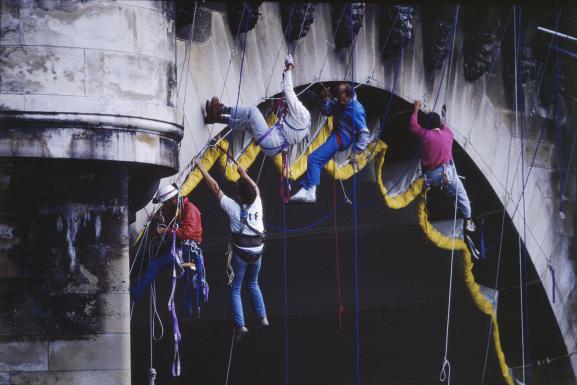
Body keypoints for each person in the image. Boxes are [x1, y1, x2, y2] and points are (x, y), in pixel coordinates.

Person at [195, 159, 268, 342]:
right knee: (253, 284)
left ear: (240, 197)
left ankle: (241, 326)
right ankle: (263, 317)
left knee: (236, 289)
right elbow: (255, 188)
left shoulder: (234, 208)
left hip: (242, 253)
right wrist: (244, 174)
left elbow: (215, 187)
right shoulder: (257, 203)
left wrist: (201, 167)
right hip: (257, 251)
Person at [204, 54, 313, 156]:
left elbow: (289, 91)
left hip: (270, 141)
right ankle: (217, 119)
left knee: (252, 111)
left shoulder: (302, 114)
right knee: (248, 124)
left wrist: (289, 68)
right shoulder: (305, 127)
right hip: (273, 148)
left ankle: (219, 109)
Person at [289, 83, 370, 203]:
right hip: (337, 135)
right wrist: (326, 99)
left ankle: (311, 192)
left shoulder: (356, 109)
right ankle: (305, 189)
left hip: (342, 138)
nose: (340, 101)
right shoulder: (341, 102)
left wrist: (356, 152)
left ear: (348, 96)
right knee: (318, 161)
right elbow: (327, 112)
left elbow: (364, 133)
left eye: (342, 99)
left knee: (313, 158)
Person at [409, 100, 475, 232]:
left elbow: (413, 126)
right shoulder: (449, 134)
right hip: (447, 174)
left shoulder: (425, 135)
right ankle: (468, 220)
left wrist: (416, 109)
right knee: (461, 193)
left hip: (430, 177)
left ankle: (433, 195)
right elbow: (443, 125)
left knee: (423, 180)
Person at [130, 183, 203, 303]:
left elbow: (186, 233)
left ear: (173, 199)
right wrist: (158, 220)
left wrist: (165, 230)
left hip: (187, 250)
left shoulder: (190, 210)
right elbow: (171, 225)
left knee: (154, 266)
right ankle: (131, 282)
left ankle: (134, 294)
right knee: (146, 256)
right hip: (177, 245)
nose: (164, 206)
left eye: (165, 203)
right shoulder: (176, 209)